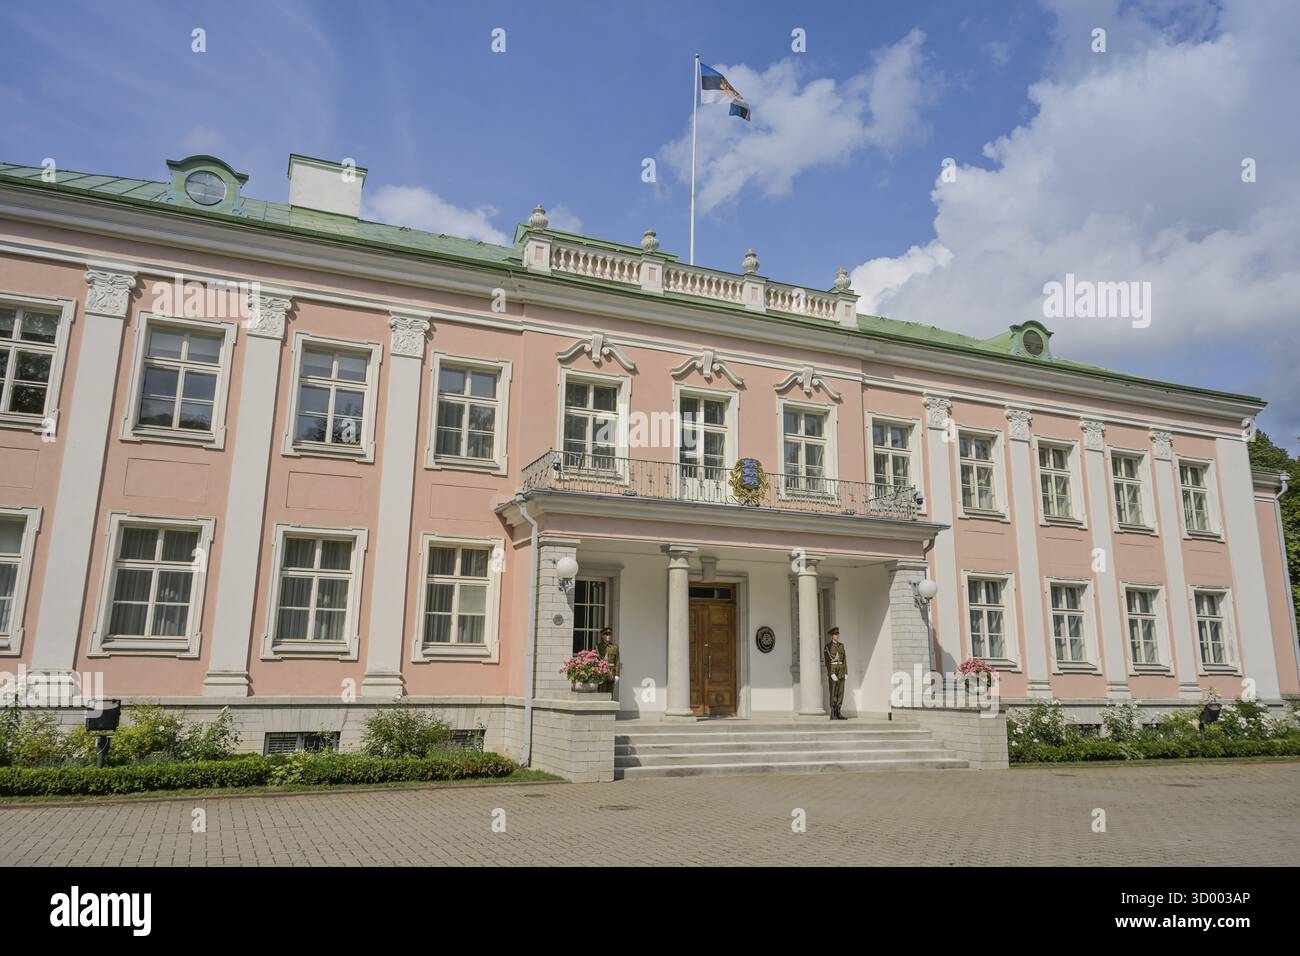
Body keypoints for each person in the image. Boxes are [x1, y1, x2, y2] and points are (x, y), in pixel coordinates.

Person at [823, 626, 848, 720]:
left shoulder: (841, 646)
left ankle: (838, 712)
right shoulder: (828, 647)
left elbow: (844, 659)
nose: (837, 636)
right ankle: (833, 712)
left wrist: (846, 672)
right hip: (833, 672)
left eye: (838, 634)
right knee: (833, 692)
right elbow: (827, 661)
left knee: (841, 692)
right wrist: (831, 673)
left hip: (841, 671)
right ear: (832, 636)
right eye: (835, 634)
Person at [596, 626, 621, 695]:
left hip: (611, 673)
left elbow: (617, 661)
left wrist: (617, 675)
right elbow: (596, 660)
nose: (608, 636)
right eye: (606, 634)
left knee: (610, 694)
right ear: (602, 635)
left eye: (610, 634)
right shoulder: (598, 646)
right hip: (601, 673)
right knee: (601, 693)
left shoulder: (615, 647)